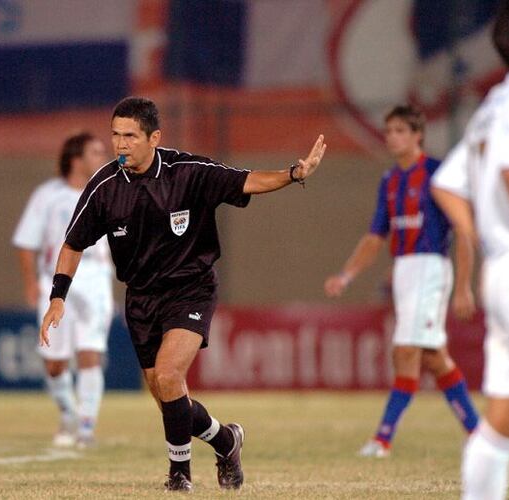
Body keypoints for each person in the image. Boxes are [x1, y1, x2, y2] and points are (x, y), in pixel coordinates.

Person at [40, 96, 326, 492]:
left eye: (130, 136)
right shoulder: (104, 186)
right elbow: (73, 244)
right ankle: (226, 441)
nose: (120, 144)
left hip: (190, 288)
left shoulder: (189, 171)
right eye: (115, 135)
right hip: (141, 298)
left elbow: (247, 180)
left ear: (154, 137)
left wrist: (294, 173)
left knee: (171, 375)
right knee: (168, 398)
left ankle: (179, 476)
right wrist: (58, 297)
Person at [324, 105, 479, 458]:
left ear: (417, 135)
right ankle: (476, 430)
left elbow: (464, 231)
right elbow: (376, 236)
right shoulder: (390, 180)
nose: (391, 136)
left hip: (432, 267)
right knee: (433, 357)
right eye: (389, 130)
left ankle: (382, 439)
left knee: (405, 351)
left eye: (399, 130)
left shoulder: (438, 174)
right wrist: (346, 275)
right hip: (406, 270)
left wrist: (464, 286)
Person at [431, 1, 509, 497]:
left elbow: (447, 184)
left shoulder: (494, 105)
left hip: (503, 268)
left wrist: (480, 235)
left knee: (504, 417)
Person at [13, 132, 114, 449]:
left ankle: (86, 427)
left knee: (90, 353)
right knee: (55, 362)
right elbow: (27, 242)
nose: (103, 157)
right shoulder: (48, 196)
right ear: (76, 160)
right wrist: (31, 283)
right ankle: (69, 412)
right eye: (95, 152)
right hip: (56, 281)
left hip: (96, 278)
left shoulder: (109, 190)